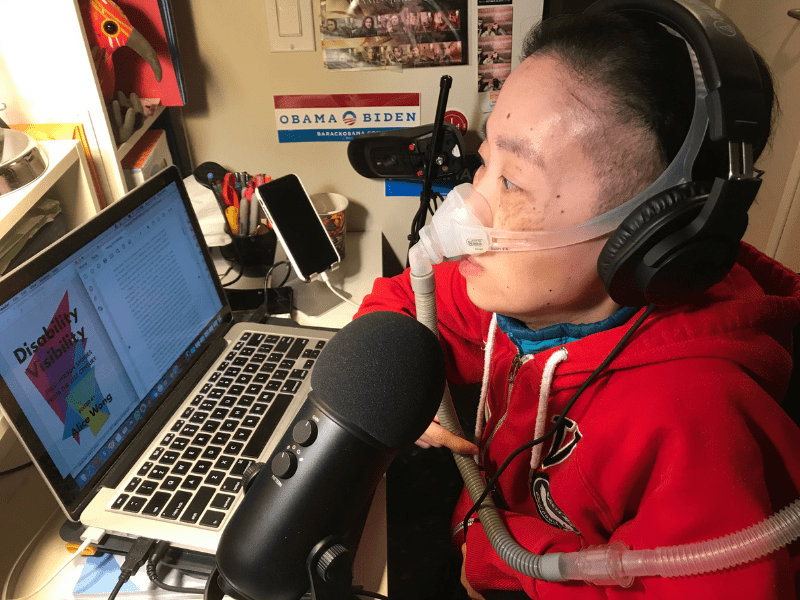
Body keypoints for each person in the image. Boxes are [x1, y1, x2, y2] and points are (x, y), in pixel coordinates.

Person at [355, 8, 800, 600]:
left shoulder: (697, 419)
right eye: (486, 161)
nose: (470, 206)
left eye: (514, 183)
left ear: (647, 232)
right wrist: (395, 375)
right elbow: (402, 302)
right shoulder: (515, 297)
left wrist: (503, 556)